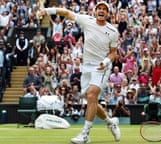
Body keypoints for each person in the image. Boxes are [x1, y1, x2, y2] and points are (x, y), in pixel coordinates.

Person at [41, 1, 120, 144]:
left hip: (102, 67)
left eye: (104, 9)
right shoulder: (86, 20)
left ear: (108, 14)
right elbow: (65, 12)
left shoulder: (113, 32)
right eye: (99, 8)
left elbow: (113, 53)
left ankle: (85, 135)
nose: (101, 11)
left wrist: (106, 62)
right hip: (87, 66)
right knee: (91, 100)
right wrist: (47, 10)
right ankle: (110, 122)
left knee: (91, 95)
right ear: (95, 11)